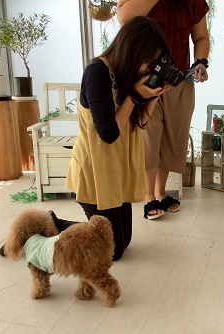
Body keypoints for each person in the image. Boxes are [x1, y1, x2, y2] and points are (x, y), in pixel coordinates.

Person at [60, 16, 170, 261]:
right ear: (132, 50)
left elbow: (138, 122)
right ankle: (49, 226)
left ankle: (69, 227)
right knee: (113, 251)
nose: (149, 68)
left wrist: (153, 95)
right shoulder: (97, 73)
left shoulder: (128, 74)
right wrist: (133, 96)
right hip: (95, 173)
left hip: (114, 172)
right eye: (149, 61)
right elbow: (108, 134)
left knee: (124, 242)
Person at [117, 0, 210, 219]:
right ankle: (148, 195)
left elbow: (201, 37)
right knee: (149, 136)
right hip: (144, 78)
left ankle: (161, 192)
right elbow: (124, 18)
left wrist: (201, 62)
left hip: (178, 79)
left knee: (171, 137)